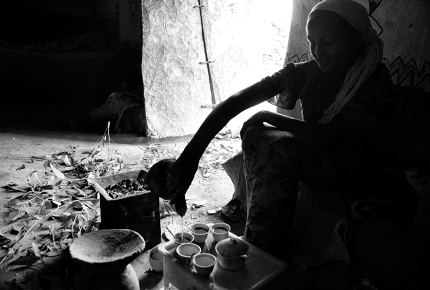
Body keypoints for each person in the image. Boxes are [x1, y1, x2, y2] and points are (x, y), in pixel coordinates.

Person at [161, 0, 415, 262]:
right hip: (323, 157)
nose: (318, 52)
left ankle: (266, 248)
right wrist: (190, 158)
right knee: (257, 135)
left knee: (276, 144)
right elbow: (238, 100)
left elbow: (332, 135)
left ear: (355, 39)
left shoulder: (373, 78)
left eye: (328, 41)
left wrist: (268, 115)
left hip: (358, 166)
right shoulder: (309, 73)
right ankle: (264, 235)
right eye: (312, 41)